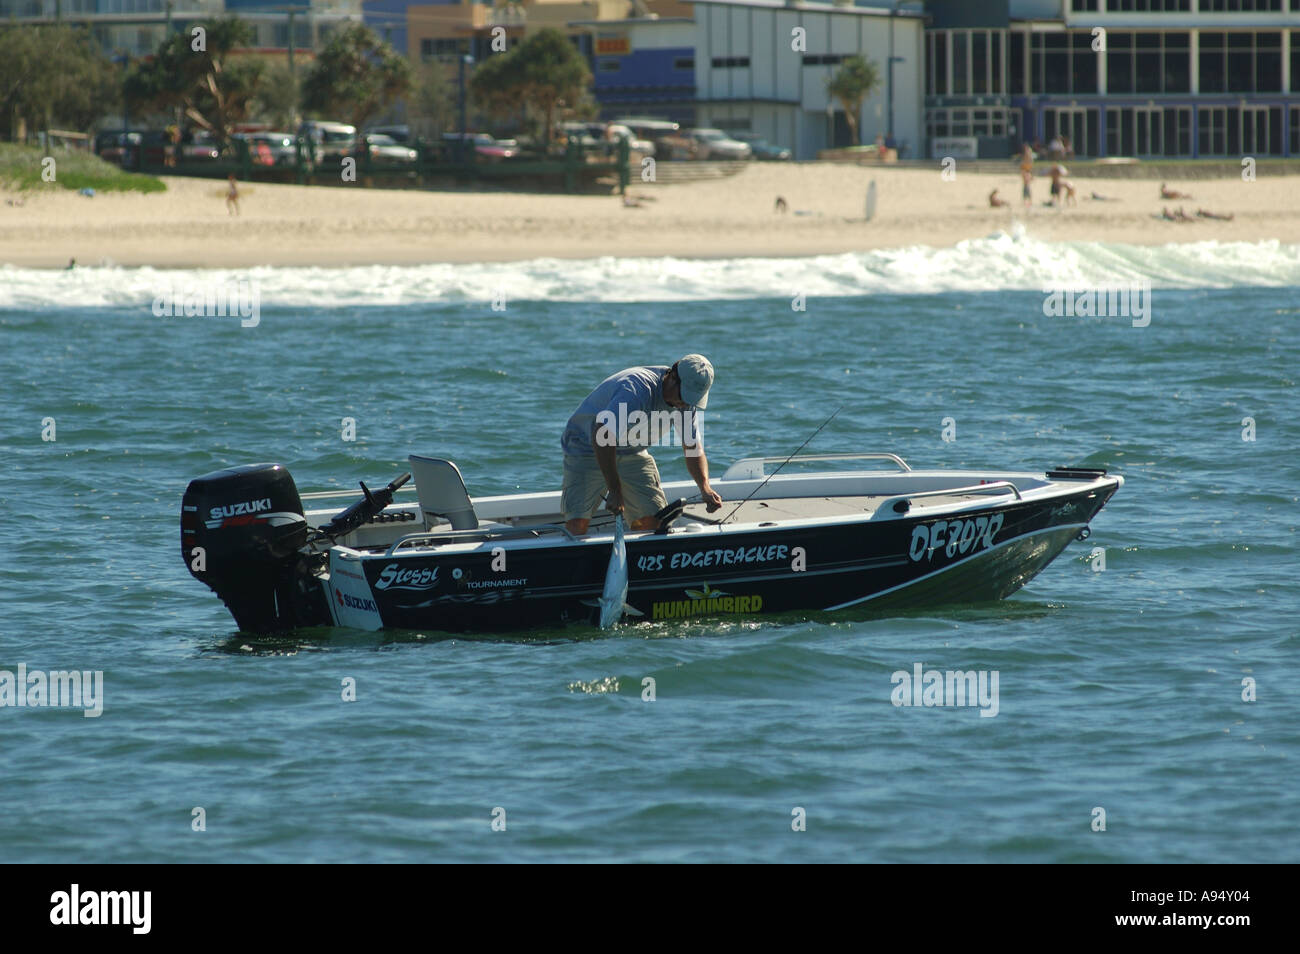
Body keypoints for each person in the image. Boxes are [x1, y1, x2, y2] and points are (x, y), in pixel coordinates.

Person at [561, 356, 723, 535]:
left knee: (655, 523)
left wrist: (704, 487)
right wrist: (614, 489)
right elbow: (603, 435)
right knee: (577, 525)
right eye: (684, 395)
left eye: (693, 399)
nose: (685, 403)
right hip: (587, 447)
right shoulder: (637, 390)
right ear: (672, 377)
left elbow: (693, 448)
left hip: (632, 450)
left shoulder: (686, 405)